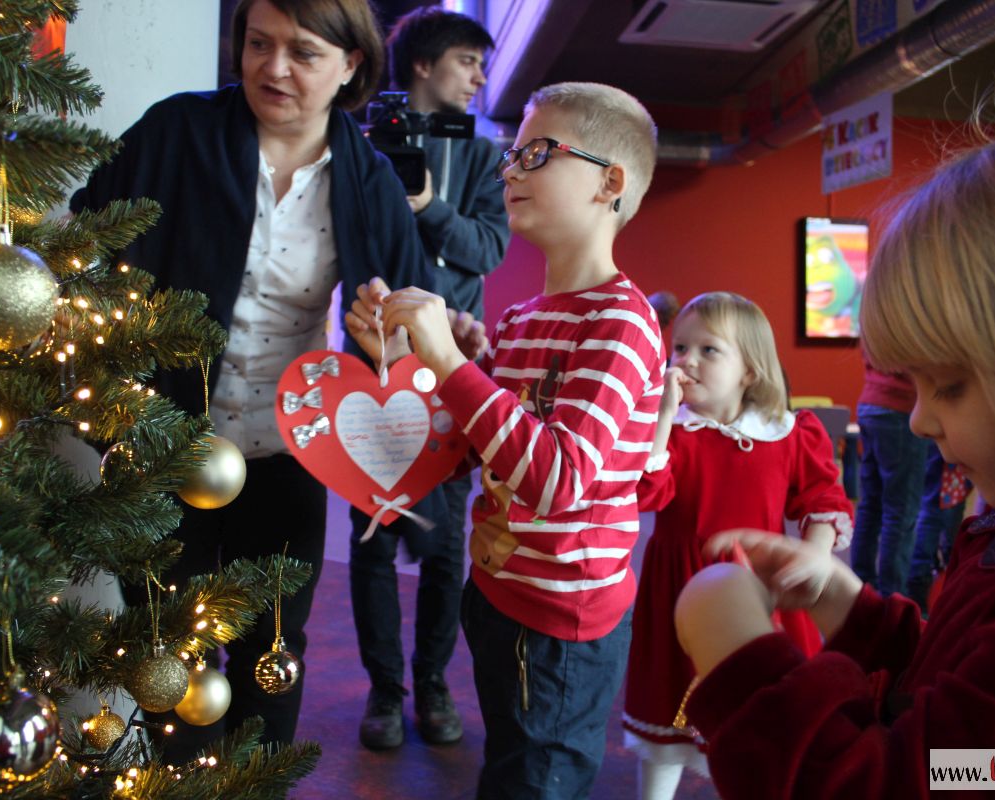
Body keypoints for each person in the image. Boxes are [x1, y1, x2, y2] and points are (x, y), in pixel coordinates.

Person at [672, 88, 995, 798]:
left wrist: (743, 658)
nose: (922, 420)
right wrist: (848, 606)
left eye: (949, 385)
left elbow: (908, 781)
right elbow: (954, 699)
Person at [69, 0, 432, 760]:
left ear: (352, 66)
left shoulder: (367, 181)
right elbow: (85, 242)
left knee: (272, 647)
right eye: (258, 44)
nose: (273, 68)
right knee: (169, 649)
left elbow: (414, 321)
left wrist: (388, 341)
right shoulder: (177, 132)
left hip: (290, 446)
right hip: (164, 440)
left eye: (302, 52)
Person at [347, 82, 663, 798]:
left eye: (537, 153)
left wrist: (453, 363)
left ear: (609, 183)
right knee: (510, 769)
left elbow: (554, 479)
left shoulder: (620, 325)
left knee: (535, 781)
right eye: (513, 155)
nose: (509, 171)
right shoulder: (522, 320)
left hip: (561, 629)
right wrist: (400, 360)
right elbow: (466, 450)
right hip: (497, 598)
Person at [350, 6, 509, 751]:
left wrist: (425, 203)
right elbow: (351, 243)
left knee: (446, 547)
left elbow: (485, 249)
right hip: (373, 365)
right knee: (377, 538)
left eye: (483, 66)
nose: (481, 78)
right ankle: (384, 694)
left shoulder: (484, 157)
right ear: (422, 65)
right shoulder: (359, 145)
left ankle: (434, 685)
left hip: (455, 369)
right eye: (468, 62)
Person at [623, 292, 852, 800]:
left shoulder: (788, 434)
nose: (686, 361)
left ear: (750, 371)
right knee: (670, 707)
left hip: (757, 595)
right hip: (681, 591)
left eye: (709, 350)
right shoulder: (674, 435)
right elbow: (647, 491)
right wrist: (662, 416)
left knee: (757, 711)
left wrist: (815, 555)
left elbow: (822, 496)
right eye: (679, 347)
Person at [850, 360, 928, 596]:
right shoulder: (915, 322)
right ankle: (893, 599)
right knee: (901, 510)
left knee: (870, 505)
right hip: (900, 407)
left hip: (870, 403)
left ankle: (861, 589)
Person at [905, 443, 972, 615]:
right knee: (938, 512)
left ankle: (922, 590)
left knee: (932, 509)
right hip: (950, 443)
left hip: (936, 445)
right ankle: (923, 593)